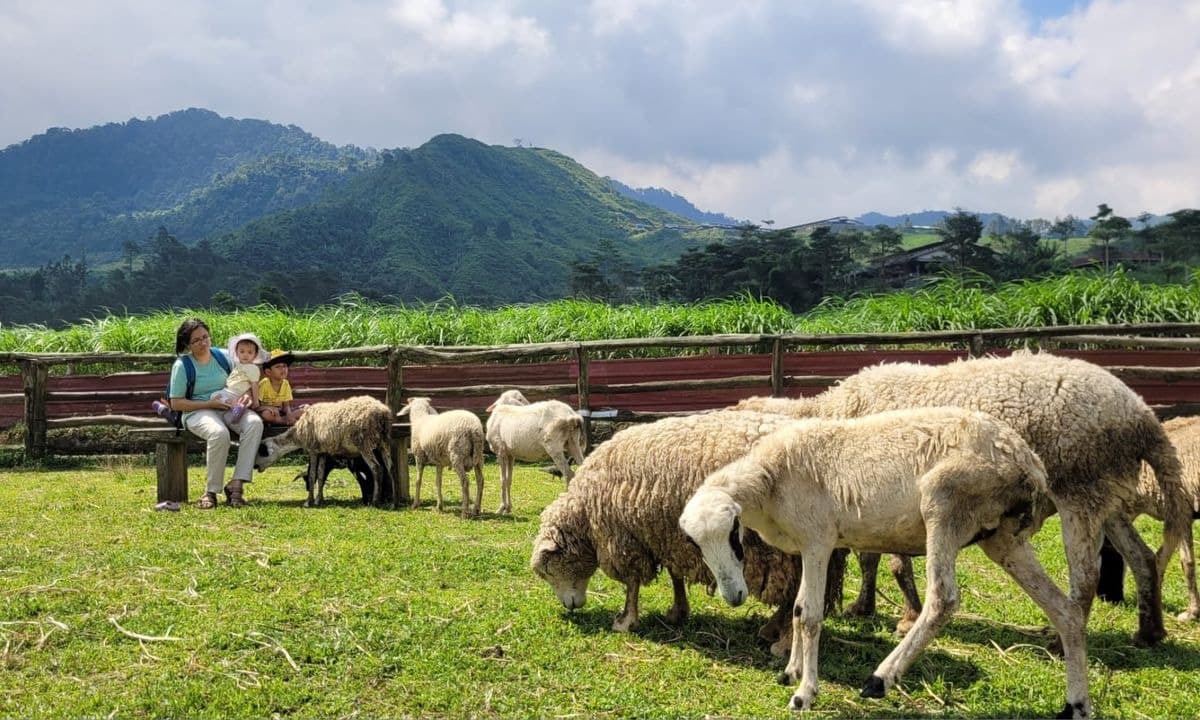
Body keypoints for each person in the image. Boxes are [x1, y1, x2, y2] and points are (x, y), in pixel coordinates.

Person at [165, 318, 265, 509]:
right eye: (196, 340)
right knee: (219, 433)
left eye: (205, 337)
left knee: (254, 423)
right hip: (197, 411)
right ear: (187, 344)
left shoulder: (224, 356)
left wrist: (246, 397)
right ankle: (211, 491)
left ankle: (236, 484)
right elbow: (176, 403)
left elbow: (245, 379)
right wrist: (209, 403)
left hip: (228, 407)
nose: (203, 343)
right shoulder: (182, 365)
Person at [211, 333, 270, 422]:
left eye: (250, 352)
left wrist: (256, 401)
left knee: (214, 395)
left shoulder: (252, 368)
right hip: (230, 391)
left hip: (237, 392)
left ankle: (234, 406)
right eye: (242, 352)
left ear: (255, 354)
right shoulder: (238, 365)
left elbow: (254, 384)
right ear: (237, 353)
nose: (245, 355)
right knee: (215, 395)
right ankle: (236, 407)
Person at [258, 349, 308, 425]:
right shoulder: (264, 383)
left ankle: (284, 420)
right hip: (269, 412)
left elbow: (286, 406)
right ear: (268, 372)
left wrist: (289, 414)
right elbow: (257, 407)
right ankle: (284, 421)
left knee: (306, 408)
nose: (283, 369)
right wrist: (270, 408)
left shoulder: (285, 383)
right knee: (266, 414)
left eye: (284, 366)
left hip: (281, 412)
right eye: (278, 366)